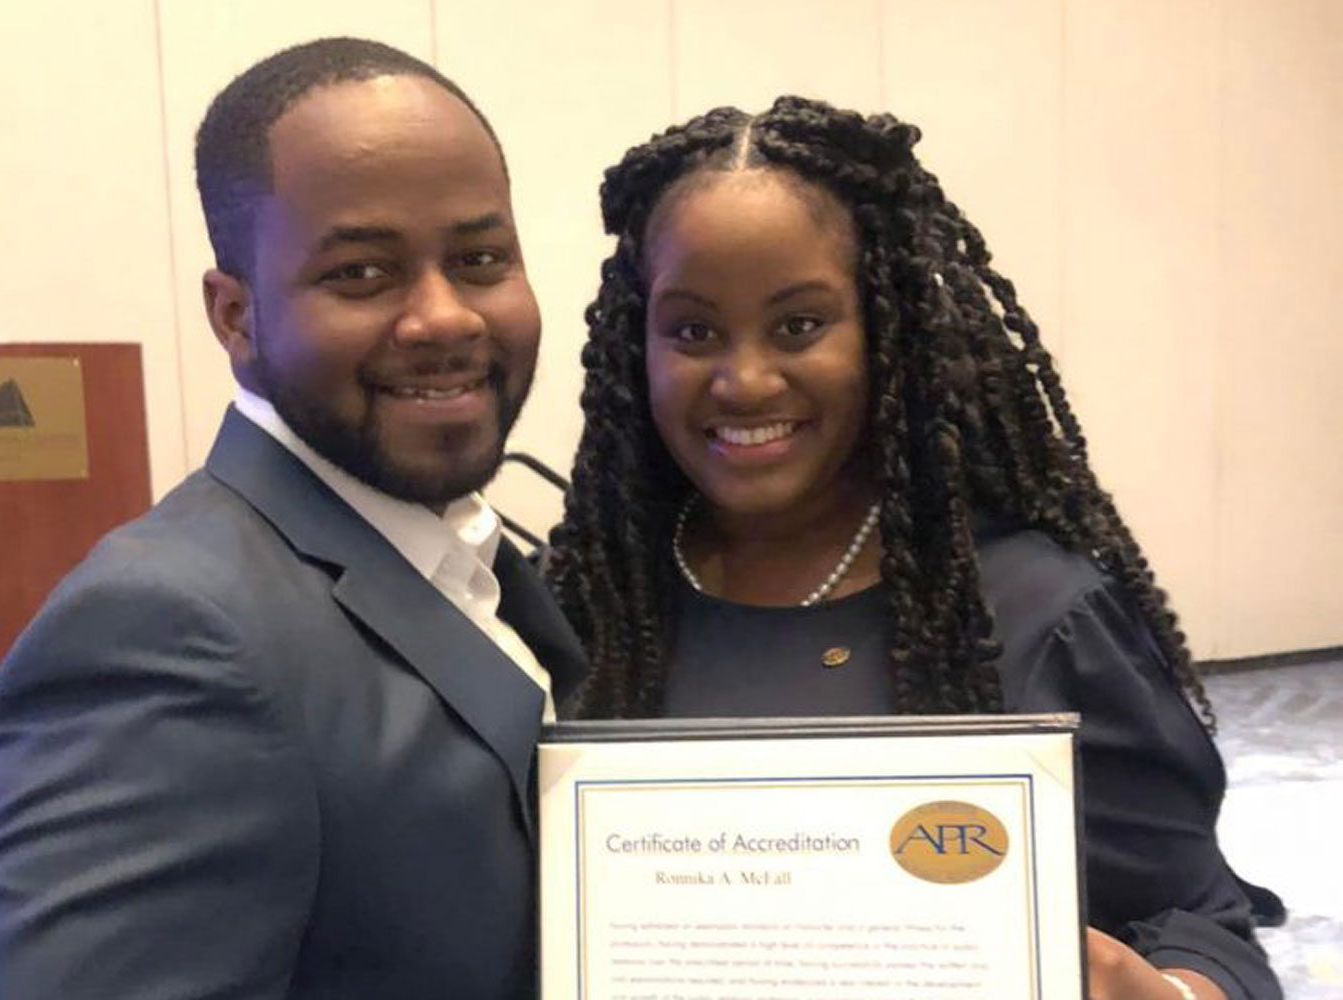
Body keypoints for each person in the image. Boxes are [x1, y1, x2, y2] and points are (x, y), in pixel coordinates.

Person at [546, 97, 1281, 1000]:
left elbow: (1202, 921)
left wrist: (1171, 991)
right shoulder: (587, 609)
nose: (744, 379)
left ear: (886, 330)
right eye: (692, 331)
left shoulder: (1036, 613)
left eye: (799, 324)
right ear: (635, 343)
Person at [0, 37, 584, 1000]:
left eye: (481, 257)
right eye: (363, 274)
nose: (446, 317)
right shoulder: (165, 633)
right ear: (236, 317)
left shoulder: (462, 558)